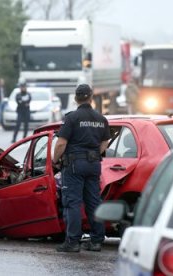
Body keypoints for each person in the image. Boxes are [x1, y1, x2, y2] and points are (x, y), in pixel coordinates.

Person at [52, 84, 111, 253]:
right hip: (93, 165)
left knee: (72, 203)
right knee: (94, 202)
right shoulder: (101, 119)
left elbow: (61, 143)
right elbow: (105, 143)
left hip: (74, 165)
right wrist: (92, 155)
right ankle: (97, 241)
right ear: (91, 98)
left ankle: (73, 242)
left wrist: (55, 160)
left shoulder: (72, 118)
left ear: (76, 98)